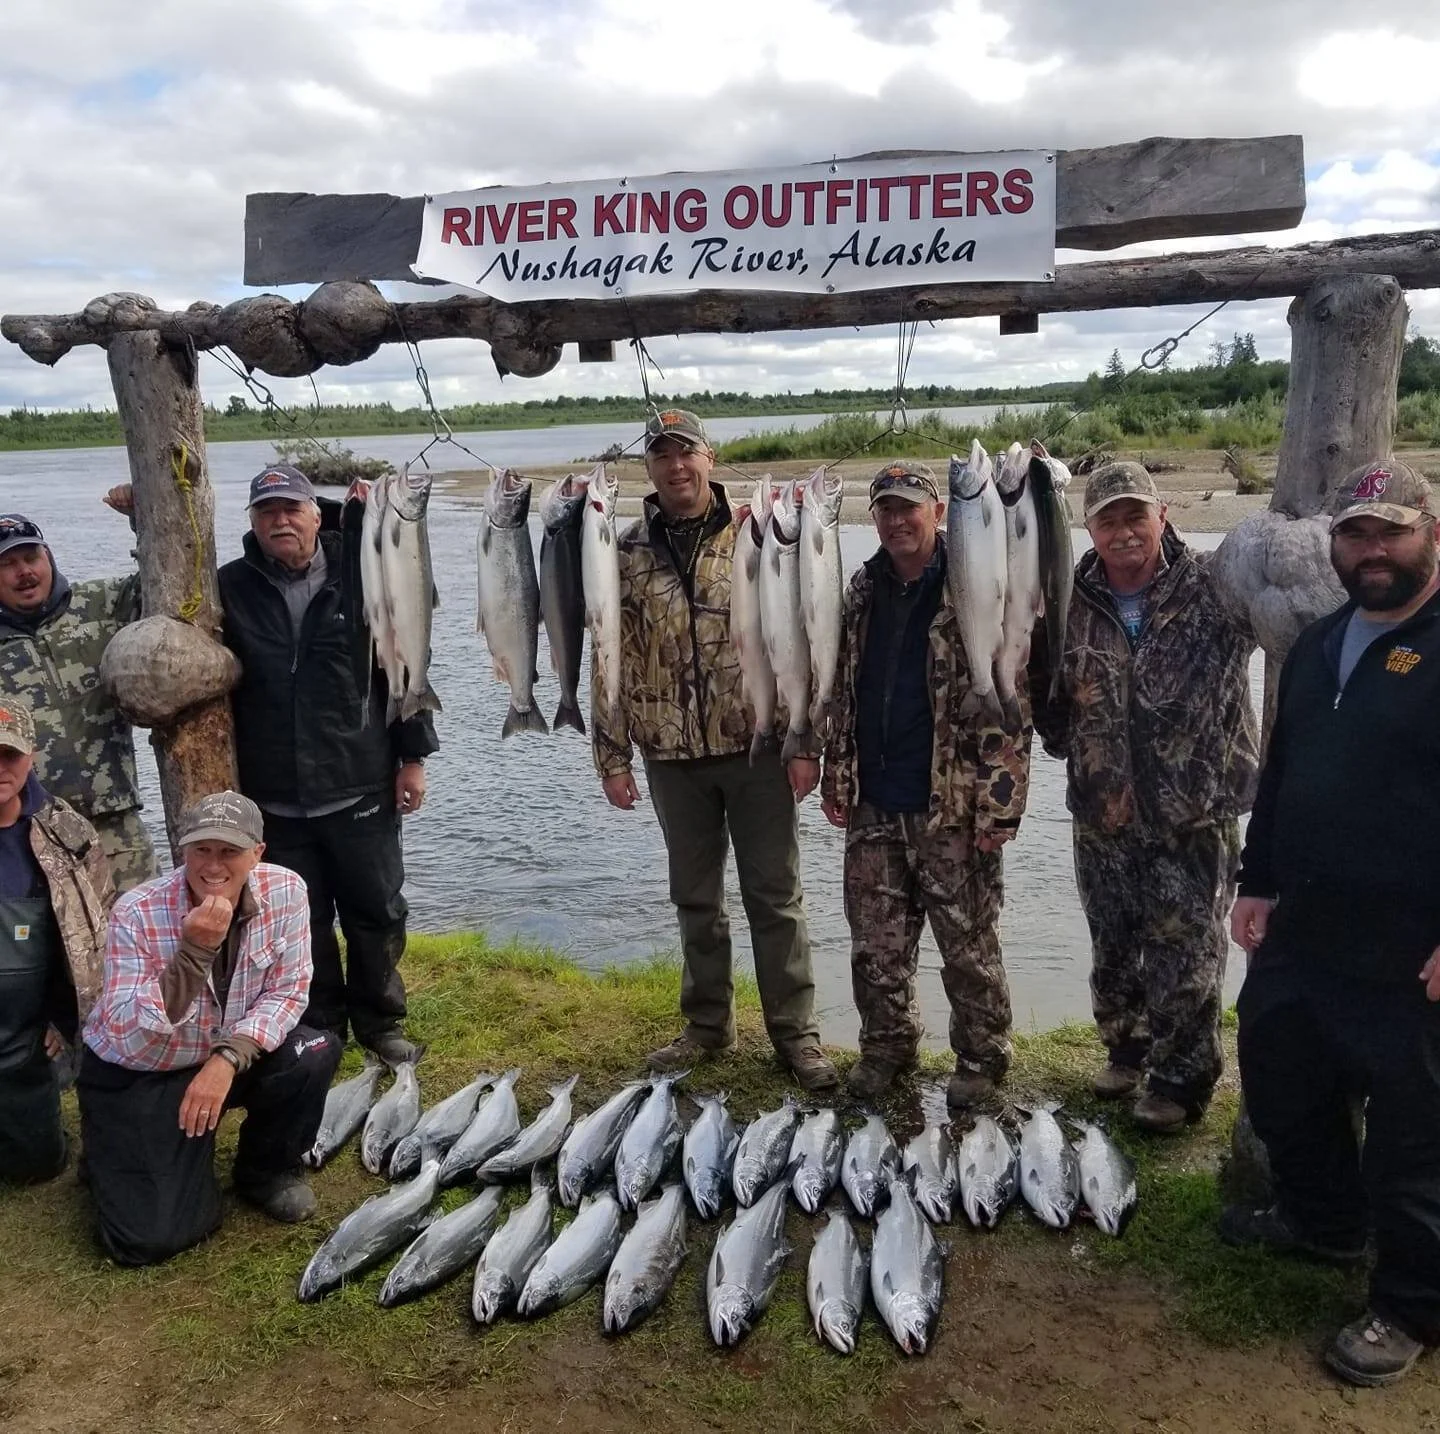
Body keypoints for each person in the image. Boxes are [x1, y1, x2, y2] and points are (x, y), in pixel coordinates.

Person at [1224, 458, 1440, 1388]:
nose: (1373, 549)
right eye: (1356, 534)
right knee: (1278, 1073)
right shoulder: (1319, 646)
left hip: (1411, 944)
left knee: (1414, 1133)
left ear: (1431, 533)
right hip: (1308, 921)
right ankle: (1325, 1223)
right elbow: (1282, 772)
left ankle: (1409, 1306)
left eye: (1391, 530)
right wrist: (1257, 879)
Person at [591, 409, 837, 1092]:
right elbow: (607, 653)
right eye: (662, 456)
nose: (676, 467)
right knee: (695, 899)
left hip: (757, 748)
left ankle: (797, 1036)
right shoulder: (623, 549)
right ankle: (708, 1025)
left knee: (775, 896)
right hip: (669, 755)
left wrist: (805, 740)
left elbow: (802, 640)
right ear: (650, 469)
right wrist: (611, 755)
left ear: (711, 458)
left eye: (687, 453)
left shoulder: (763, 537)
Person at [1032, 461, 1258, 1133]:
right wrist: (1074, 750)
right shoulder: (1067, 595)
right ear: (1088, 527)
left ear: (1162, 515)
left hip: (1195, 808)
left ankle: (1182, 1081)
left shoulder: (1215, 584)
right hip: (1101, 808)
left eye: (1136, 515)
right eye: (1108, 520)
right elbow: (1044, 686)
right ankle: (1126, 1052)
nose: (1124, 531)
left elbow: (1286, 622)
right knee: (1114, 940)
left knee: (1187, 947)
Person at [818, 461, 1031, 1106]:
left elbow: (1011, 694)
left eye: (910, 507)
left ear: (940, 512)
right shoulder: (859, 592)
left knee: (968, 946)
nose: (897, 519)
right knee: (875, 946)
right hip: (875, 803)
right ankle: (887, 1047)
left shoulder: (978, 581)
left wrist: (1003, 802)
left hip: (957, 804)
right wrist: (837, 774)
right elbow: (843, 695)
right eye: (885, 508)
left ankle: (981, 1057)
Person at [218, 465, 437, 1068]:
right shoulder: (228, 587)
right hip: (273, 796)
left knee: (377, 911)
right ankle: (318, 1022)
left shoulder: (362, 572)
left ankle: (379, 1020)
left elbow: (404, 663)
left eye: (291, 509)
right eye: (267, 513)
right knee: (301, 920)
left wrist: (412, 756)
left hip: (359, 781)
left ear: (317, 514)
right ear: (254, 524)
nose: (280, 521)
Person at [78, 790, 340, 1265]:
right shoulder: (135, 912)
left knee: (316, 1048)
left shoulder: (288, 891)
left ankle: (266, 1171)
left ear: (257, 853)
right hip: (141, 1067)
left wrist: (227, 1059)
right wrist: (194, 953)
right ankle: (111, 1149)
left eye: (230, 851)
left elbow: (288, 993)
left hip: (221, 1054)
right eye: (202, 849)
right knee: (150, 1240)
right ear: (183, 849)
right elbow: (126, 1030)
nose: (213, 866)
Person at [0, 497, 157, 891]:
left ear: (48, 557)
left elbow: (165, 579)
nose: (24, 572)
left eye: (31, 557)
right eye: (6, 565)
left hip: (117, 825)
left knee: (142, 941)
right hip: (30, 833)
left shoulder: (101, 604)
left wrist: (143, 515)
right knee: (52, 948)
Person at [0, 698, 114, 1182]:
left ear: (32, 755)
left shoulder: (66, 834)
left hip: (22, 1033)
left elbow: (94, 936)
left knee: (38, 1167)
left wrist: (63, 1019)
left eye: (9, 755)